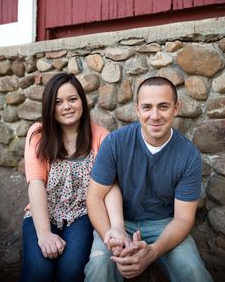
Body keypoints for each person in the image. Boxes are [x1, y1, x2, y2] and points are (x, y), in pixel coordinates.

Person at [84, 76, 213, 282]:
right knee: (99, 267)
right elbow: (94, 199)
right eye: (147, 107)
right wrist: (111, 234)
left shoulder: (188, 156)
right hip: (120, 221)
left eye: (163, 106)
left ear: (176, 108)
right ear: (137, 109)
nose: (155, 116)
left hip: (164, 224)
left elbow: (183, 219)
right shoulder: (115, 143)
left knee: (194, 272)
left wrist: (153, 252)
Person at [19, 72, 111, 282]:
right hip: (43, 212)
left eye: (72, 99)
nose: (66, 107)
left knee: (71, 272)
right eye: (58, 102)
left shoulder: (101, 136)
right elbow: (36, 184)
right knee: (39, 273)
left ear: (82, 101)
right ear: (50, 107)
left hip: (82, 215)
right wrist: (43, 233)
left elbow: (108, 187)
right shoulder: (38, 134)